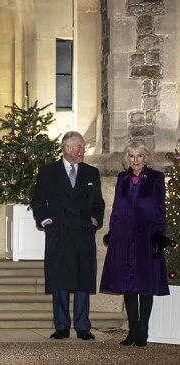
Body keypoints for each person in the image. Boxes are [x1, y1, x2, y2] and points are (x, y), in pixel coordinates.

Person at [31, 131, 105, 341]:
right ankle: (61, 326)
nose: (83, 150)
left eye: (83, 147)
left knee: (82, 280)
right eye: (80, 147)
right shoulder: (48, 172)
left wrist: (95, 220)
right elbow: (38, 201)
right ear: (67, 148)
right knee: (60, 280)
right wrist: (46, 221)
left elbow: (99, 203)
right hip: (59, 233)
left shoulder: (92, 173)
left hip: (83, 232)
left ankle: (83, 327)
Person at [100, 140, 169, 347]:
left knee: (145, 285)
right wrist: (112, 233)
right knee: (128, 285)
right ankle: (132, 331)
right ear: (127, 158)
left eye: (140, 155)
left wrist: (159, 235)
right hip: (124, 236)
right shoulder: (122, 178)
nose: (136, 160)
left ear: (146, 157)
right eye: (132, 156)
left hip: (147, 237)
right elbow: (117, 208)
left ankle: (143, 332)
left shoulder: (157, 178)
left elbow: (160, 209)